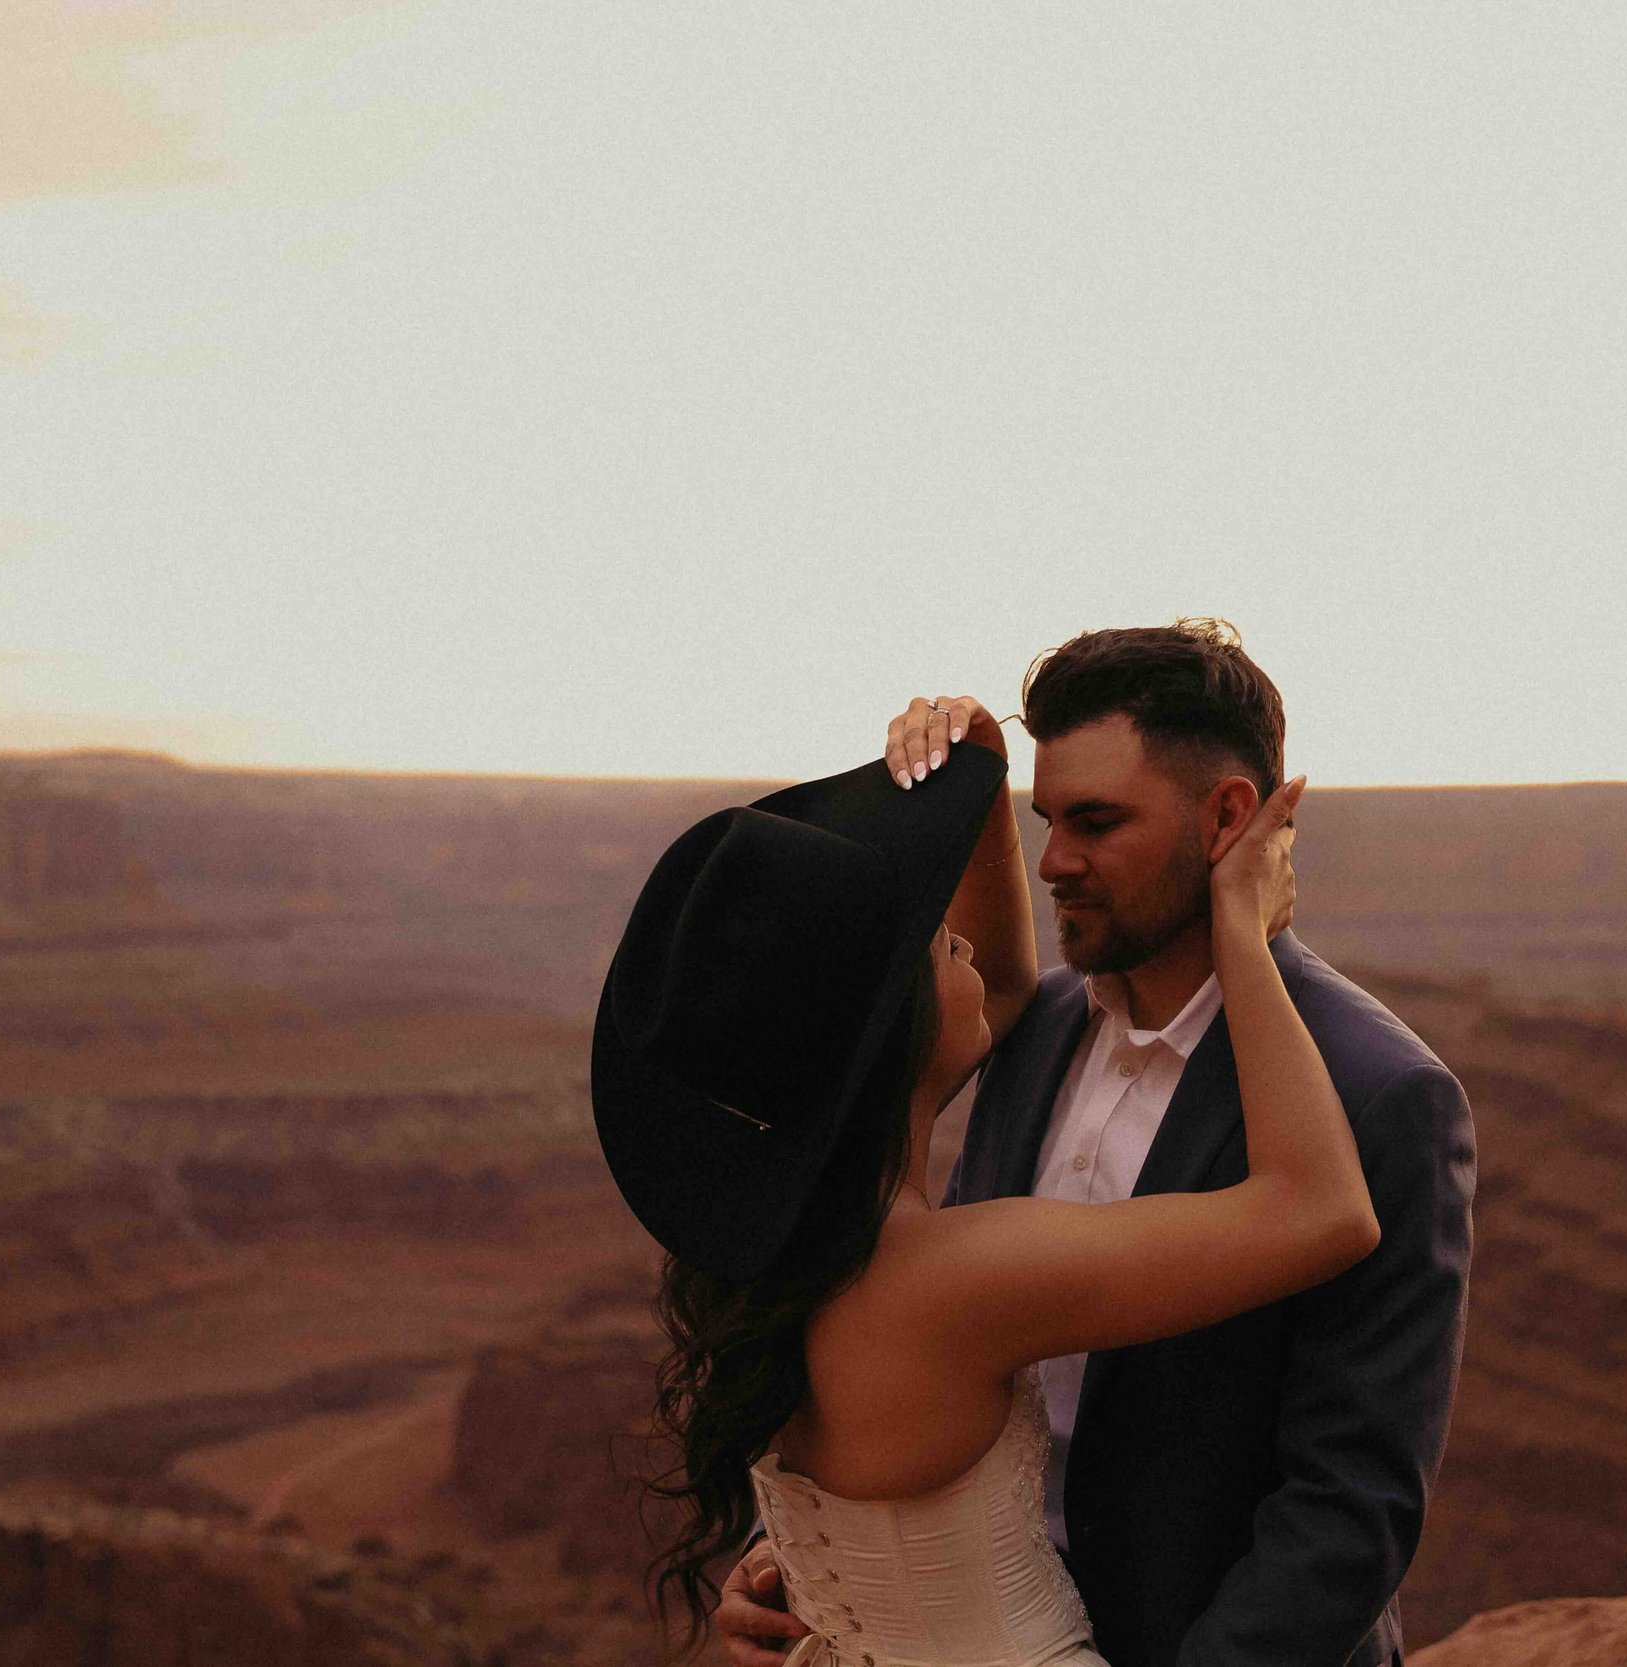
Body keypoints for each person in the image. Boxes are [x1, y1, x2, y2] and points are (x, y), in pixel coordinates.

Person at [592, 633, 1389, 1665]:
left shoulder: (788, 1251)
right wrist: (1245, 928)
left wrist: (978, 784)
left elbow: (1002, 988)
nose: (963, 938)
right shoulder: (956, 1277)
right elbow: (1320, 1210)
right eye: (935, 942)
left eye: (1092, 821)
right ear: (890, 1034)